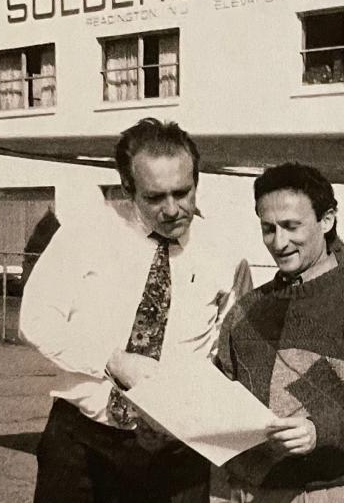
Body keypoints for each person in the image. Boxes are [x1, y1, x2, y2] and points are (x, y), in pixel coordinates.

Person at [20, 118, 247, 503]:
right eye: (155, 197)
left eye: (183, 192)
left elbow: (227, 342)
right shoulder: (86, 234)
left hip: (175, 449)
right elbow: (36, 320)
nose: (173, 209)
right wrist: (110, 361)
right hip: (83, 443)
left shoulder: (222, 250)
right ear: (128, 188)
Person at [217, 162, 344, 503]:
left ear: (327, 219)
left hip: (336, 492)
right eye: (268, 228)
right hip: (256, 493)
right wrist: (238, 468)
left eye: (291, 226)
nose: (279, 242)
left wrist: (320, 431)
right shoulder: (245, 311)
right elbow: (224, 403)